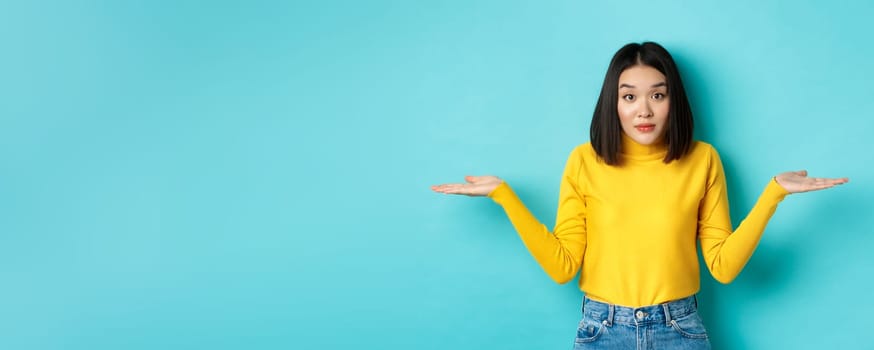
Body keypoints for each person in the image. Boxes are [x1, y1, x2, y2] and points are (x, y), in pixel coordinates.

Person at [430, 42, 848, 349]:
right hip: (601, 329)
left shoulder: (702, 159)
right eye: (629, 96)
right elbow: (562, 267)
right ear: (613, 103)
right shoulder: (584, 161)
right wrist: (504, 196)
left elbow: (722, 266)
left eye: (657, 94)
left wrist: (773, 195)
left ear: (672, 101)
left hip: (679, 328)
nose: (643, 110)